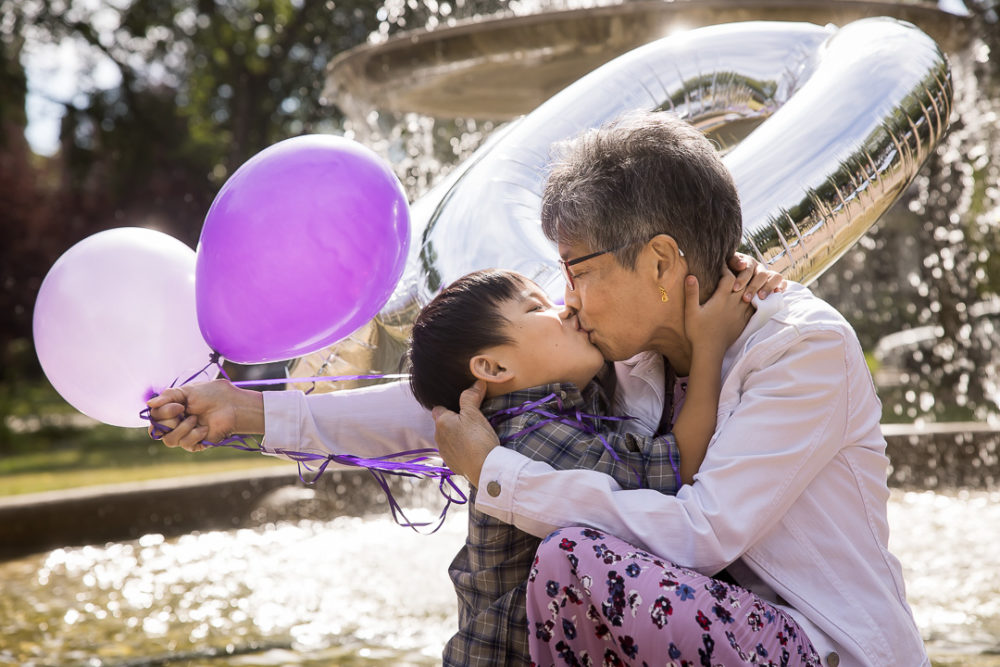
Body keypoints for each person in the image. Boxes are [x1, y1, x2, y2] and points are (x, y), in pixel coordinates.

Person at [431, 110, 928, 666]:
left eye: (576, 271)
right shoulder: (628, 348)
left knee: (572, 561)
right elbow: (474, 387)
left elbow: (703, 533)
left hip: (821, 647)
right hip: (701, 634)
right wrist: (311, 417)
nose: (566, 298)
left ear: (661, 261)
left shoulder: (803, 347)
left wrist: (498, 477)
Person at [406, 266, 750, 664]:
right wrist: (710, 345)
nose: (567, 307)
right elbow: (676, 467)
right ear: (494, 368)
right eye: (537, 308)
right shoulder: (525, 436)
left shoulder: (553, 404)